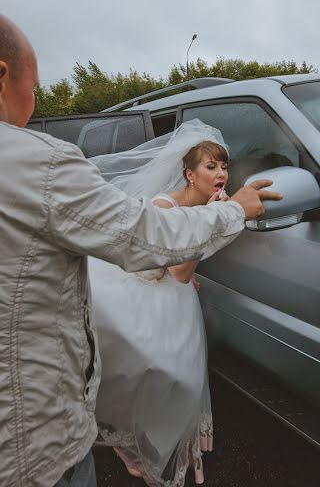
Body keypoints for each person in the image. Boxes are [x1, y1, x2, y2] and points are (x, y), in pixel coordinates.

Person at [0, 14, 282, 487]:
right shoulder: (35, 163)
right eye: (33, 87)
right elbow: (144, 236)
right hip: (31, 447)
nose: (32, 103)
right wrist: (235, 210)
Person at [90, 122, 232, 486]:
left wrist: (212, 216)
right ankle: (127, 441)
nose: (220, 174)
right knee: (150, 374)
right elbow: (181, 271)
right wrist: (212, 220)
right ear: (189, 174)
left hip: (176, 297)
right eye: (210, 167)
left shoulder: (210, 203)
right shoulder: (165, 206)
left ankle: (182, 446)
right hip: (142, 296)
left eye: (223, 167)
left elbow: (181, 275)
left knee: (185, 377)